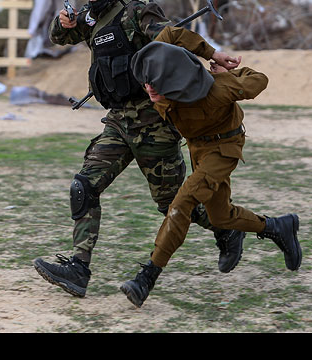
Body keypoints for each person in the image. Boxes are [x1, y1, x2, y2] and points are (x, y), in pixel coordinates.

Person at [32, 0, 246, 298]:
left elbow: (172, 35)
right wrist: (63, 23)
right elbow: (61, 38)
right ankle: (78, 267)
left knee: (172, 204)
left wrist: (212, 54)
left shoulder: (137, 10)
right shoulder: (92, 16)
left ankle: (227, 228)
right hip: (118, 120)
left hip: (153, 122)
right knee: (84, 186)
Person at [121, 41, 302, 308]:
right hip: (198, 150)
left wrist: (224, 72)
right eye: (147, 81)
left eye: (156, 83)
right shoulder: (158, 87)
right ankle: (277, 227)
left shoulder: (215, 89)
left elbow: (259, 80)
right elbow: (169, 34)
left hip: (224, 147)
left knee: (181, 204)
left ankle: (147, 276)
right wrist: (207, 51)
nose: (149, 88)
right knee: (220, 216)